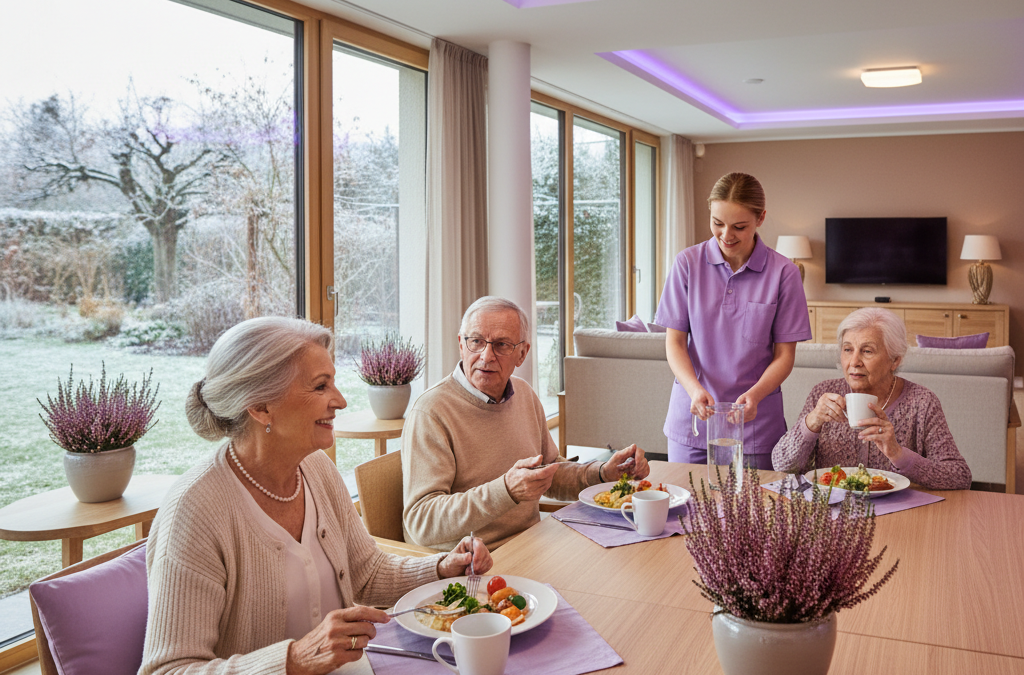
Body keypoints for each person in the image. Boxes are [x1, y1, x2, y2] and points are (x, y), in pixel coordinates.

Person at [141, 317, 492, 675]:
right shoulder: (194, 512)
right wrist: (293, 660)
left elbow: (366, 573)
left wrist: (441, 568)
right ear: (261, 406)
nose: (339, 400)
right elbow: (167, 670)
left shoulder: (316, 469)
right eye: (321, 386)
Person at [402, 296, 650, 551]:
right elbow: (422, 522)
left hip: (531, 546)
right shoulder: (431, 412)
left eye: (501, 345)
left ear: (522, 354)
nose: (486, 356)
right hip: (470, 567)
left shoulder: (523, 393)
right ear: (461, 345)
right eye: (476, 341)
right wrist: (506, 490)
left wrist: (602, 473)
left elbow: (550, 473)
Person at [655, 172, 812, 469]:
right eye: (717, 223)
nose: (726, 235)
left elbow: (784, 356)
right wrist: (694, 389)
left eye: (739, 226)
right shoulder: (686, 264)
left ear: (760, 218)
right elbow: (674, 342)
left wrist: (755, 395)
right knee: (686, 510)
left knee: (754, 512)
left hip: (755, 425)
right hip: (693, 421)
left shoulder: (784, 274)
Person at [772, 307, 972, 489]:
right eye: (848, 349)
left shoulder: (922, 402)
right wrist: (811, 423)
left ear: (895, 360)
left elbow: (959, 476)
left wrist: (898, 454)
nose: (854, 362)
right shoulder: (823, 394)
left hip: (902, 516)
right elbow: (782, 464)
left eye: (867, 351)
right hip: (837, 513)